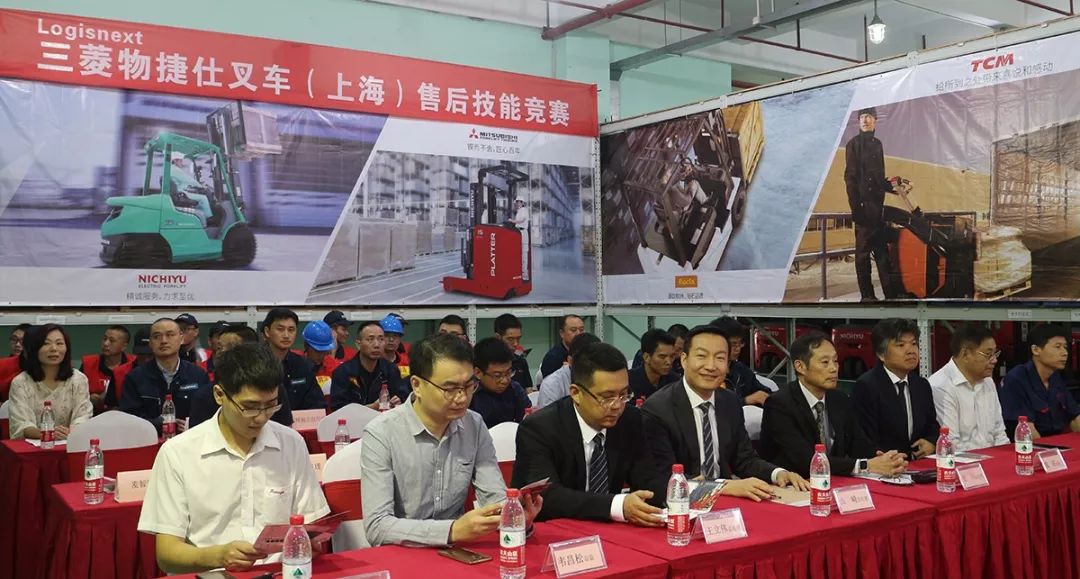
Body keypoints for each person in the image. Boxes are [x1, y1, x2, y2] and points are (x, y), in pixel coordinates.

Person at [138, 343, 329, 574]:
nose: (261, 418)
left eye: (270, 406)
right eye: (249, 407)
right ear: (220, 395)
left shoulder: (291, 444)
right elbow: (167, 555)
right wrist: (218, 556)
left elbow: (310, 525)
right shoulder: (178, 453)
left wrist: (310, 542)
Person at [361, 333, 542, 547]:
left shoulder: (474, 424)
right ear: (417, 385)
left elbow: (494, 498)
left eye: (469, 386)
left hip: (458, 550)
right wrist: (452, 530)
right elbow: (377, 527)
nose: (462, 398)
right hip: (403, 553)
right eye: (450, 389)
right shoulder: (381, 433)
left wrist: (514, 518)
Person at [642, 325, 809, 500]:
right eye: (701, 356)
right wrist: (723, 486)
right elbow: (663, 479)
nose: (711, 366)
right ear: (684, 360)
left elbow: (744, 459)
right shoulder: (657, 409)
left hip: (726, 504)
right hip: (680, 505)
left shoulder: (729, 401)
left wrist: (778, 473)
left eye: (720, 358)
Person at [512, 342, 667, 525]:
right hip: (555, 530)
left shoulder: (630, 419)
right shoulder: (539, 428)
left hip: (609, 530)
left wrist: (679, 494)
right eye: (607, 397)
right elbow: (546, 497)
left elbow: (647, 478)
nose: (617, 405)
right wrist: (616, 505)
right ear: (576, 393)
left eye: (624, 394)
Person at [761, 333, 907, 478]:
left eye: (835, 361)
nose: (834, 368)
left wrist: (885, 459)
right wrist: (865, 465)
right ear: (800, 366)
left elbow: (859, 444)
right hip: (794, 483)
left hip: (835, 481)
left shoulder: (839, 399)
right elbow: (805, 461)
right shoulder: (779, 404)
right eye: (825, 362)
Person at [852, 318, 939, 459]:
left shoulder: (921, 385)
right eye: (901, 345)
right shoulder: (866, 387)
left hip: (918, 464)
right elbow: (864, 439)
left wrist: (931, 443)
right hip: (884, 465)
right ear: (881, 354)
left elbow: (932, 427)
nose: (911, 351)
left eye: (914, 344)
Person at [120, 318, 211, 435]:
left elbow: (208, 415)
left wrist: (190, 425)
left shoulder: (198, 375)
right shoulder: (135, 378)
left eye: (170, 335)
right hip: (149, 440)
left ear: (181, 339)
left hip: (190, 439)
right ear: (150, 343)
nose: (163, 341)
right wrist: (159, 424)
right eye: (157, 336)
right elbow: (129, 420)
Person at [844, 107, 898, 302]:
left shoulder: (878, 145)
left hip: (878, 210)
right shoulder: (853, 145)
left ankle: (891, 295)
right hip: (863, 209)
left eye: (869, 117)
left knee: (883, 254)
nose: (865, 120)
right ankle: (867, 296)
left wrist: (891, 186)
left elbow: (878, 179)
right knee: (863, 256)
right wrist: (856, 210)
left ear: (875, 121)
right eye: (862, 117)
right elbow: (850, 179)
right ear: (859, 121)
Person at [928, 323, 1010, 451]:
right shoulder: (940, 386)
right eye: (988, 354)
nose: (994, 360)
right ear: (965, 354)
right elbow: (951, 444)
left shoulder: (988, 381)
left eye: (995, 354)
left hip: (992, 457)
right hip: (962, 460)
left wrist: (1004, 456)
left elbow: (999, 433)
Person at [8, 324, 93, 441]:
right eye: (46, 343)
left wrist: (69, 432)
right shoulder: (21, 382)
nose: (54, 349)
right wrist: (46, 433)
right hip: (34, 446)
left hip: (70, 443)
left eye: (59, 343)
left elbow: (83, 417)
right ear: (34, 348)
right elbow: (20, 424)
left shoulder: (78, 379)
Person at [999, 324, 1080, 439]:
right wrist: (1051, 450)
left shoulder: (1055, 377)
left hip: (1056, 442)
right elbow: (1027, 430)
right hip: (1027, 445)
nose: (1065, 353)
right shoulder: (1016, 379)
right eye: (1057, 347)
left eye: (1065, 347)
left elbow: (1075, 417)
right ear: (1036, 350)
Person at [329, 321, 407, 410]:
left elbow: (401, 398)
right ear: (358, 343)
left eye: (381, 339)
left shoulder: (391, 369)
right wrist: (372, 407)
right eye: (370, 339)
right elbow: (338, 409)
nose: (376, 345)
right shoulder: (343, 372)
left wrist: (398, 401)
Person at [469, 337, 531, 428]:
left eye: (508, 373)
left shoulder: (515, 389)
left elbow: (527, 420)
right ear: (478, 372)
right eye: (497, 375)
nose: (505, 381)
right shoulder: (469, 395)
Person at [711, 317, 771, 406]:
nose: (738, 349)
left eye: (740, 343)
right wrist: (745, 401)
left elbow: (763, 392)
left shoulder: (740, 369)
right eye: (733, 344)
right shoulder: (708, 372)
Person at [536, 333, 601, 409]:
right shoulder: (551, 385)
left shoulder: (605, 377)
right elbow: (547, 415)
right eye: (586, 362)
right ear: (570, 361)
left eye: (597, 361)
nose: (592, 367)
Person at [80, 325, 130, 412]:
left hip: (124, 415)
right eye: (104, 339)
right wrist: (88, 399)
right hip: (92, 415)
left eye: (112, 340)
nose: (106, 343)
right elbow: (76, 395)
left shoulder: (133, 365)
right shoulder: (88, 364)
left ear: (124, 346)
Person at [628, 329, 679, 400]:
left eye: (672, 356)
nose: (669, 362)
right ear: (646, 357)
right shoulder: (628, 381)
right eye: (662, 356)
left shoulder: (675, 382)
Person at [168, 151, 213, 224]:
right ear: (175, 161)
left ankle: (201, 217)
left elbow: (184, 182)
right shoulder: (175, 170)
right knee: (203, 198)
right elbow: (189, 180)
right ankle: (209, 220)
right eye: (180, 160)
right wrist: (201, 186)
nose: (182, 162)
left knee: (198, 195)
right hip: (180, 193)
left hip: (179, 191)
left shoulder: (171, 169)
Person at [494, 313, 534, 392]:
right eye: (510, 339)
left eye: (518, 338)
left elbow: (528, 390)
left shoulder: (521, 361)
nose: (516, 344)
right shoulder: (487, 363)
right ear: (498, 337)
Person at [301, 320, 340, 390]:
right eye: (317, 351)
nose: (321, 356)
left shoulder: (336, 368)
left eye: (324, 351)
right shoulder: (295, 366)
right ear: (306, 346)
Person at [510, 197, 530, 280]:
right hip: (518, 232)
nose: (518, 203)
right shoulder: (519, 211)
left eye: (519, 202)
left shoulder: (524, 210)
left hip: (523, 232)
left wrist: (512, 221)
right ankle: (519, 273)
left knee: (524, 253)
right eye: (517, 202)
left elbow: (522, 220)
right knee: (518, 253)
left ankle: (525, 275)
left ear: (523, 203)